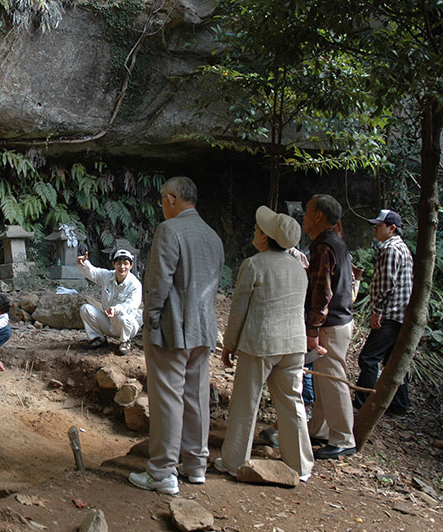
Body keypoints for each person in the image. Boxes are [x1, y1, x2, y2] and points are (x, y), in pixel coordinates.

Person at [128, 176, 224, 495]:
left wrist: (150, 319)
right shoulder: (213, 235)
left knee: (168, 398)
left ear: (171, 199)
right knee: (196, 397)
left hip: (172, 327)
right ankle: (196, 466)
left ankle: (162, 472)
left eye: (161, 200)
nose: (161, 206)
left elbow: (158, 283)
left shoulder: (169, 230)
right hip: (204, 328)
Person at [214, 207, 313, 481]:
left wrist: (230, 344)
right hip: (294, 345)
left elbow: (238, 311)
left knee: (246, 403)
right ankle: (301, 466)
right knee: (293, 403)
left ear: (266, 237)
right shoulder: (299, 267)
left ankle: (234, 462)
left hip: (260, 344)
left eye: (259, 230)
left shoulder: (254, 264)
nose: (255, 232)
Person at [303, 194, 356, 459]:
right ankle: (321, 430)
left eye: (307, 212)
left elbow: (322, 292)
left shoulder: (324, 246)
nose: (304, 217)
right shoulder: (335, 242)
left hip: (330, 324)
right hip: (339, 321)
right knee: (324, 379)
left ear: (318, 216)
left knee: (334, 381)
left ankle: (343, 439)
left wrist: (313, 329)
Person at [353, 209, 413, 415]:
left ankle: (363, 402)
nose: (375, 229)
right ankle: (399, 405)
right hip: (400, 315)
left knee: (368, 359)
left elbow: (385, 284)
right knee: (392, 362)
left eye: (378, 226)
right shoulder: (401, 248)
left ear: (392, 228)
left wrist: (376, 311)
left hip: (389, 314)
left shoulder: (390, 249)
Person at [75, 248, 143, 355]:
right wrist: (83, 263)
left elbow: (132, 305)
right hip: (108, 322)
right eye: (119, 263)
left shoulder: (135, 285)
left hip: (125, 325)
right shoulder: (107, 276)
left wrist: (116, 309)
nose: (122, 267)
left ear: (131, 265)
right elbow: (93, 272)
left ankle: (125, 342)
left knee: (124, 318)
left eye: (125, 264)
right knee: (86, 309)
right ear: (114, 264)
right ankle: (98, 339)